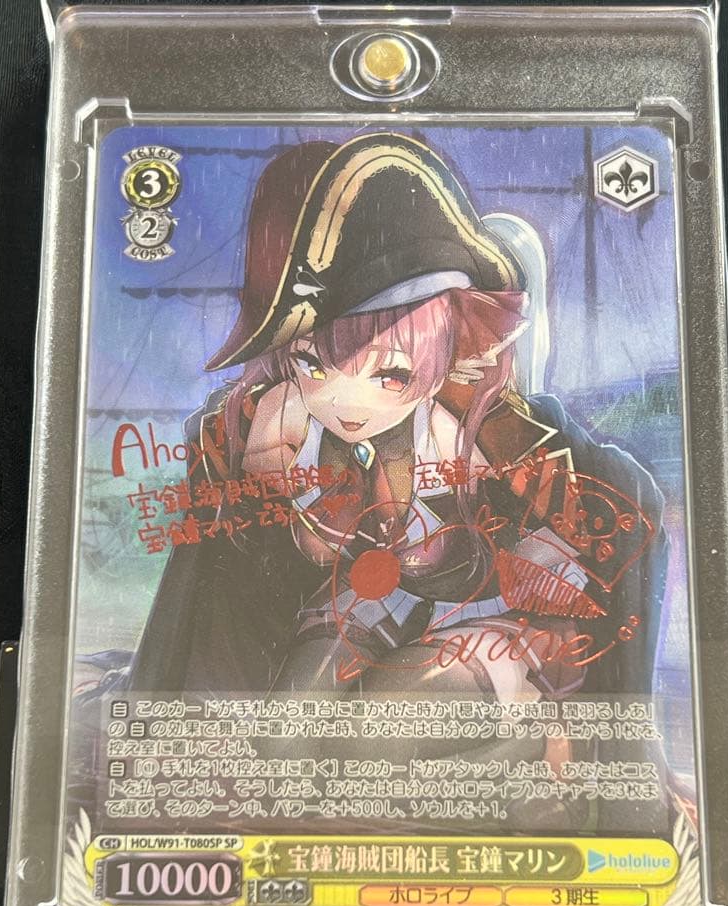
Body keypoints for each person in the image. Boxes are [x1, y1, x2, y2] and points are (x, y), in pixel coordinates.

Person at [126, 132, 674, 834]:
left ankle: (537, 754)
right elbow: (242, 565)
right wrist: (268, 489)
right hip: (370, 606)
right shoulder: (271, 423)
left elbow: (629, 515)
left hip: (494, 624)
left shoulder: (498, 434)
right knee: (283, 743)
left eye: (389, 372)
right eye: (315, 365)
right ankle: (499, 778)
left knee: (377, 736)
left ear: (451, 347)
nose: (346, 402)